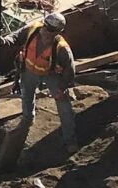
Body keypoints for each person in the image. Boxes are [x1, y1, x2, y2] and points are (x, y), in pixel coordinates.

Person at [18, 10, 77, 152]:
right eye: (46, 27)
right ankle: (27, 119)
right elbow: (16, 36)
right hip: (29, 70)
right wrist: (4, 40)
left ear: (57, 32)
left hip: (50, 74)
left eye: (51, 30)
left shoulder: (62, 48)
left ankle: (70, 140)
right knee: (26, 95)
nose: (46, 32)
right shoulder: (32, 30)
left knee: (64, 106)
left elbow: (70, 69)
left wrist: (61, 88)